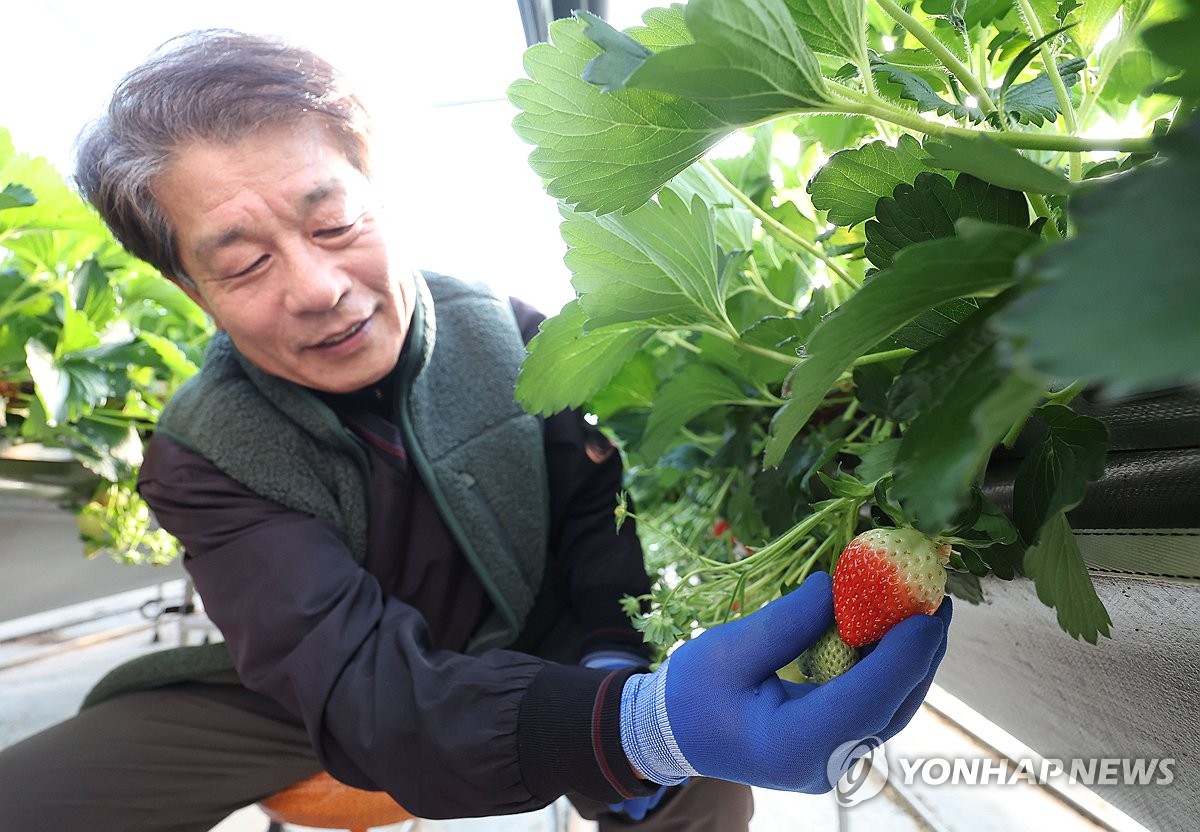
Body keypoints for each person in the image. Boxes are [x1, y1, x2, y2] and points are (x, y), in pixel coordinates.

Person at [0, 29, 952, 831]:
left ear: (378, 190)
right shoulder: (201, 449)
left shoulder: (508, 332)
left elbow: (595, 518)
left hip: (540, 642)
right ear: (188, 289)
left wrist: (614, 670)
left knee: (702, 788)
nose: (318, 290)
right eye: (244, 264)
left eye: (332, 225)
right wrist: (630, 729)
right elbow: (355, 680)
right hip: (315, 687)